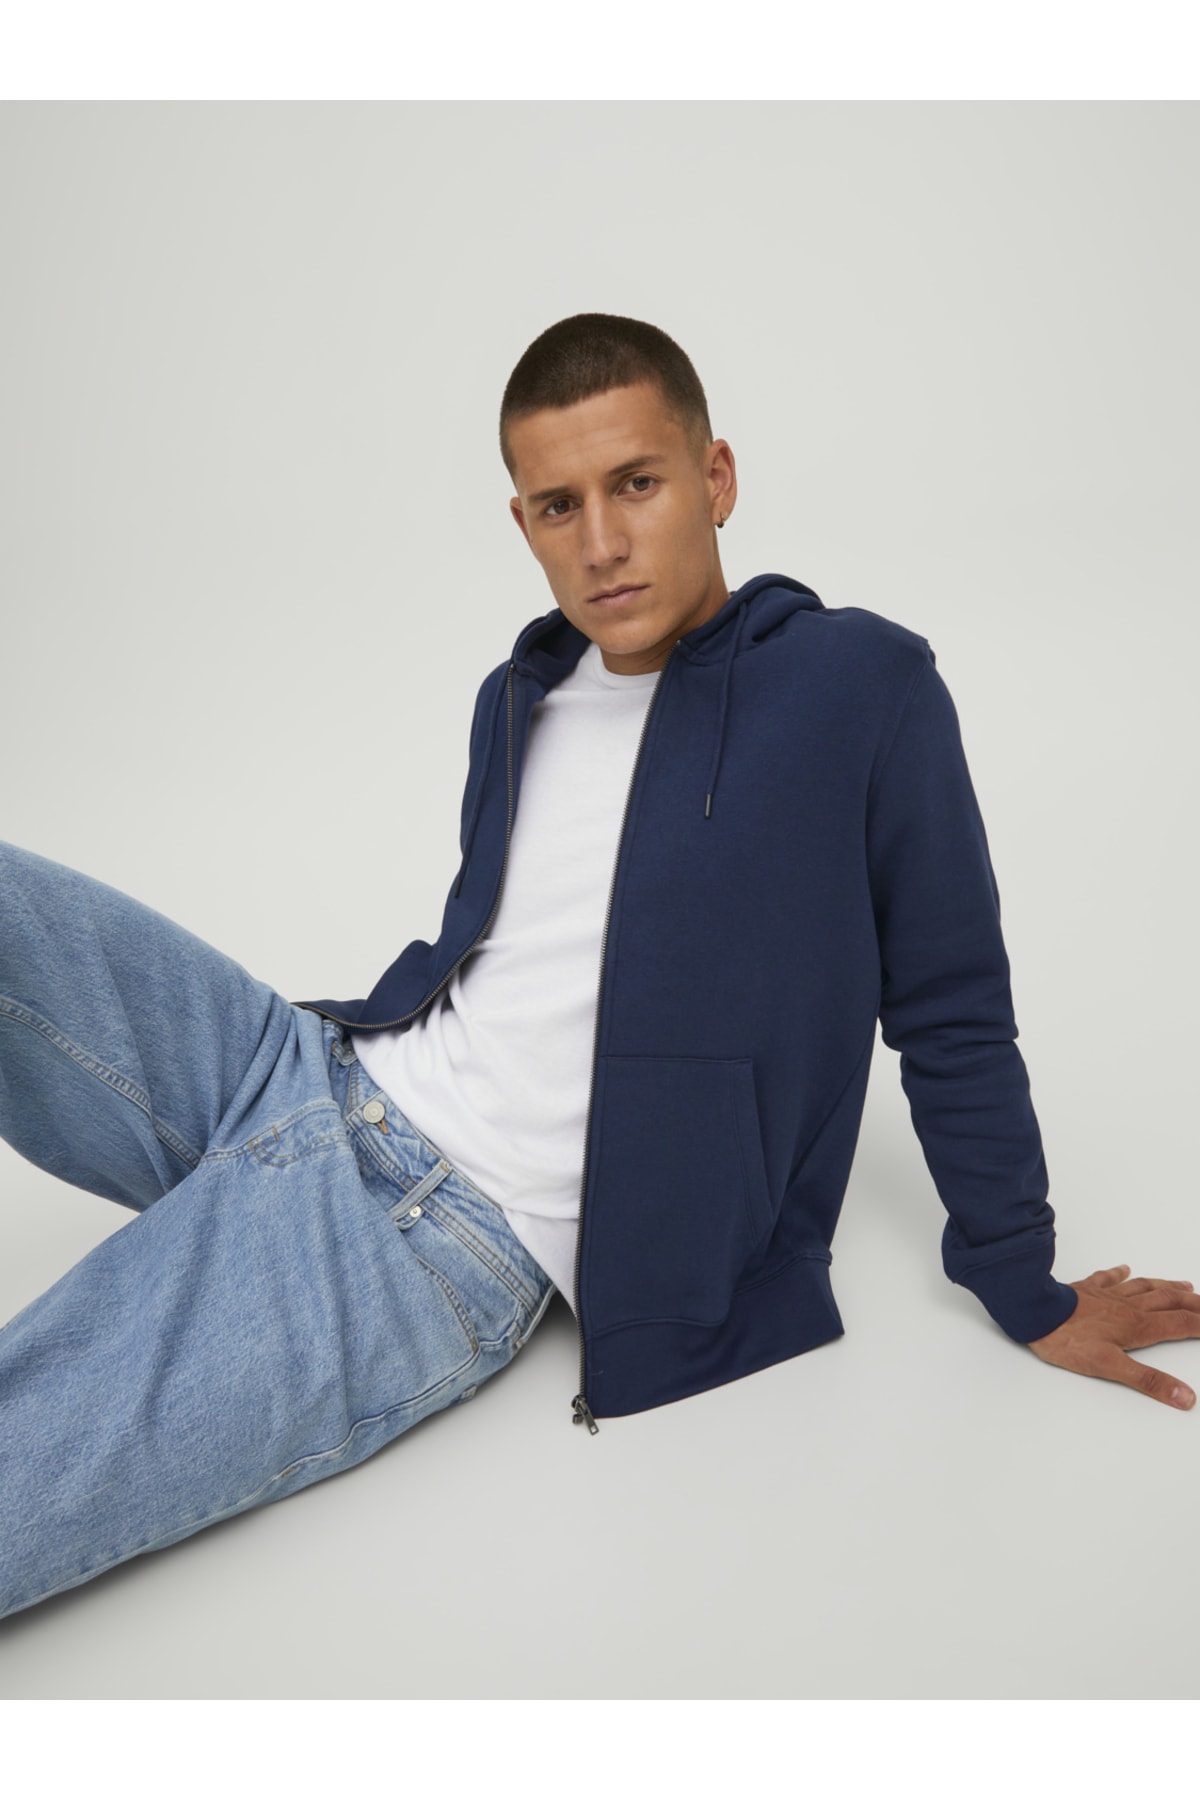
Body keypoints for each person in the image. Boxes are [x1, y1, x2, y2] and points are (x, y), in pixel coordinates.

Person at [1, 311, 1195, 1623]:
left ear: (716, 478)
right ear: (523, 523)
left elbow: (952, 1003)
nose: (602, 541)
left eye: (637, 483)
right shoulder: (520, 693)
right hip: (302, 1066)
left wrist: (1022, 1279)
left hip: (438, 1230)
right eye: (559, 505)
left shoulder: (862, 686)